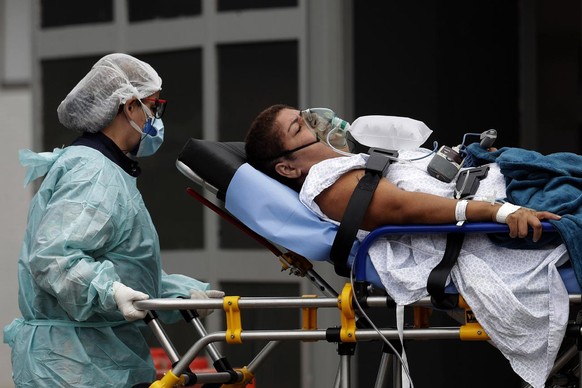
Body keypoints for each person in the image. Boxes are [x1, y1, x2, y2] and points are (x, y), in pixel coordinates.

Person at [3, 53, 223, 388]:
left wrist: (180, 296)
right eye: (153, 105)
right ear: (128, 106)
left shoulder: (107, 171)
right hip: (74, 365)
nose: (156, 117)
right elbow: (54, 259)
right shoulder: (92, 174)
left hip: (93, 360)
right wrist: (111, 290)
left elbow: (121, 267)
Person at [244, 104, 561, 242]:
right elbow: (401, 207)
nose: (319, 122)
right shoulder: (325, 182)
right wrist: (498, 212)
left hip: (510, 184)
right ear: (287, 167)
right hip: (505, 211)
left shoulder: (360, 158)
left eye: (307, 114)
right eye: (300, 127)